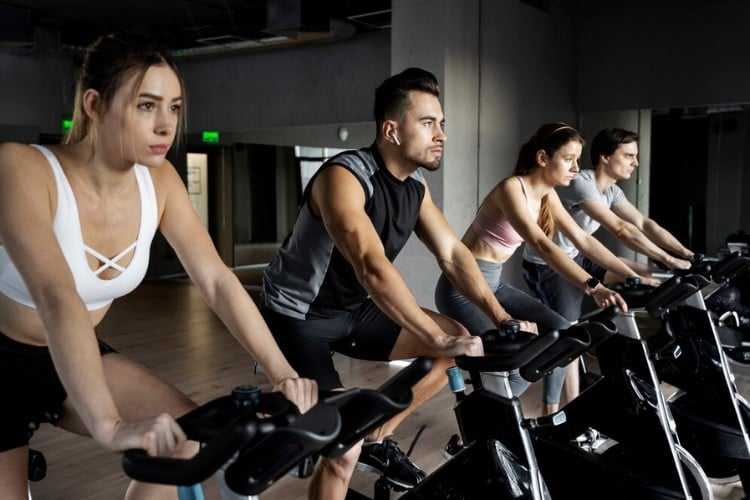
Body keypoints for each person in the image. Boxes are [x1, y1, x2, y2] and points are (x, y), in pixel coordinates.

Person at [0, 32, 317, 500]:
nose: (166, 124)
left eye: (173, 107)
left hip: (74, 351)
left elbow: (216, 280)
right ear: (94, 104)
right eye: (147, 105)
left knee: (184, 440)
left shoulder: (160, 181)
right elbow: (56, 296)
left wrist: (280, 371)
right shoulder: (23, 167)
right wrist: (108, 425)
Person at [260, 67, 531, 499]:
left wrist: (500, 317)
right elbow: (370, 265)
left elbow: (452, 253)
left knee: (455, 339)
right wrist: (434, 338)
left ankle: (376, 437)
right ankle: (353, 443)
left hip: (353, 310)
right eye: (428, 123)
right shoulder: (344, 178)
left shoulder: (415, 188)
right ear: (391, 129)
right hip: (299, 316)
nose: (440, 133)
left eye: (441, 124)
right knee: (340, 449)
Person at [434, 123, 653, 415]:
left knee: (563, 332)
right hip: (463, 288)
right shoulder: (512, 189)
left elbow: (584, 240)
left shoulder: (547, 196)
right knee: (503, 362)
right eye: (568, 158)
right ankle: (484, 422)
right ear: (542, 158)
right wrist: (594, 286)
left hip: (495, 285)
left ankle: (491, 411)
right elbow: (543, 245)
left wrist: (631, 275)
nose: (576, 167)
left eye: (578, 159)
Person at [522, 127, 693, 322]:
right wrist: (668, 259)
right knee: (567, 327)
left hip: (578, 255)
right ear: (605, 157)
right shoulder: (581, 184)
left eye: (635, 157)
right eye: (629, 156)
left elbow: (644, 224)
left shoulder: (612, 191)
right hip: (548, 265)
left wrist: (686, 254)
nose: (635, 163)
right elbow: (621, 229)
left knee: (644, 273)